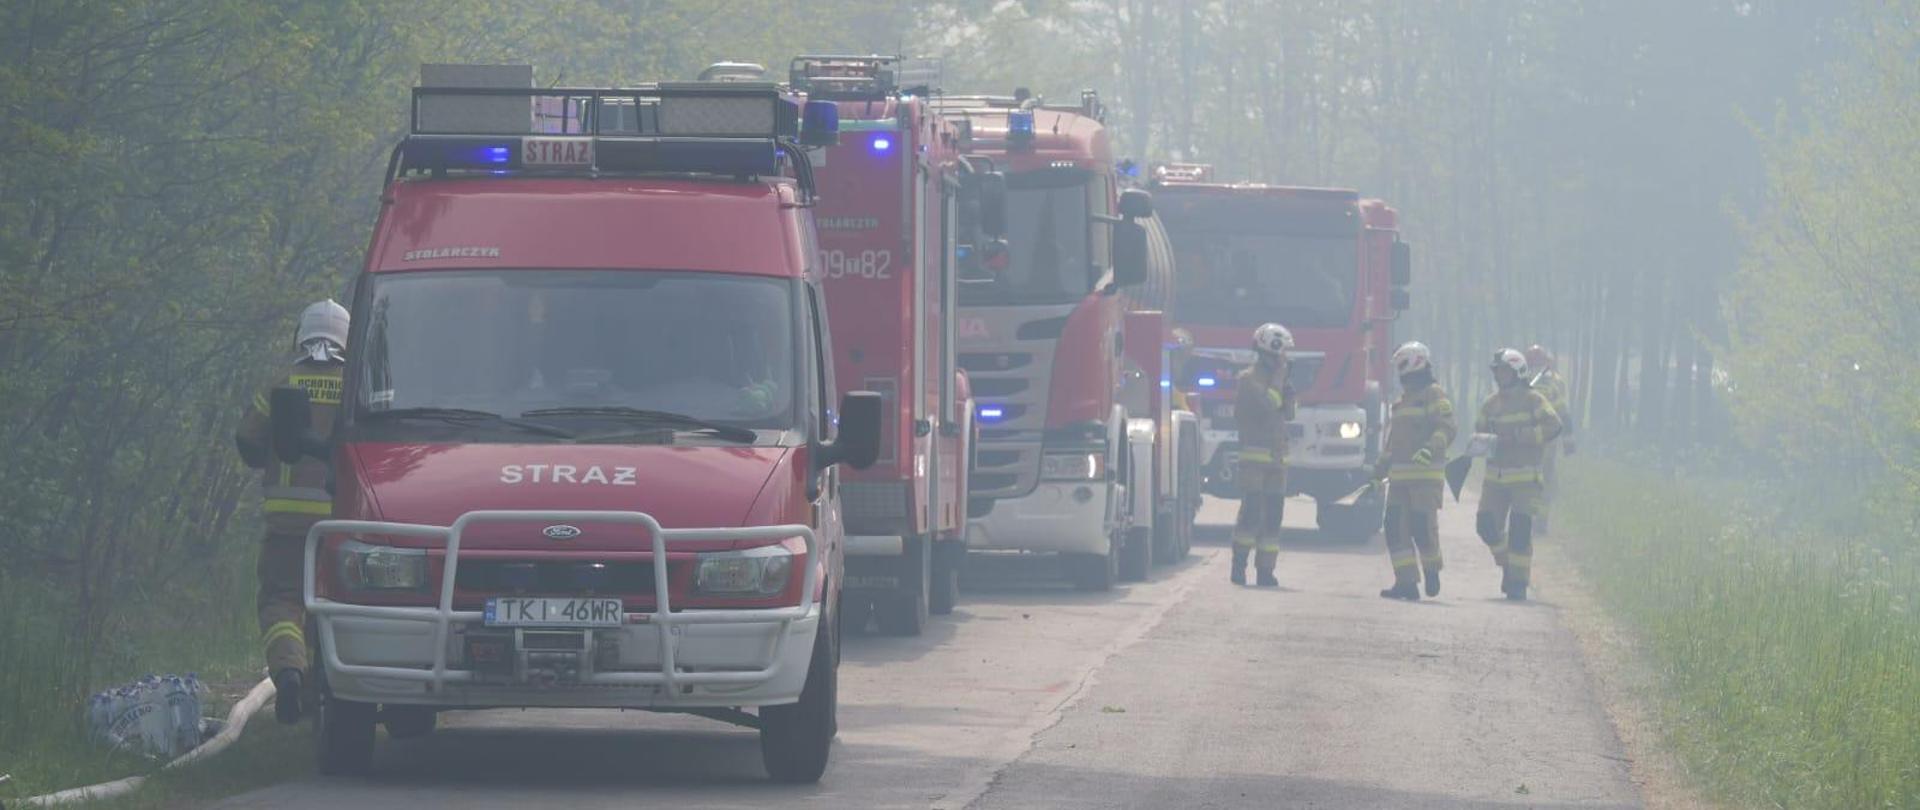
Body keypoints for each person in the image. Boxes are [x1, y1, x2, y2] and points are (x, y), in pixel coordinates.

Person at [234, 300, 348, 724]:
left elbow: (247, 439)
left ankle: (289, 673)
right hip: (342, 523)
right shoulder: (357, 384)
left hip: (285, 525)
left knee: (282, 600)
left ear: (300, 335)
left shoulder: (283, 383)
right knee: (335, 606)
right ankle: (328, 693)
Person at [1474, 348, 1563, 601]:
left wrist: (1520, 437)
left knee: (1520, 531)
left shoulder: (1534, 400)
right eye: (1497, 372)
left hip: (1526, 479)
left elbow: (1553, 426)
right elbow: (1479, 431)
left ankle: (1518, 584)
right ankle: (1508, 567)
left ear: (1517, 372)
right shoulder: (1491, 404)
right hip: (1495, 479)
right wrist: (1484, 441)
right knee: (1486, 525)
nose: (1499, 376)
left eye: (1503, 371)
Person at [1374, 342, 1456, 600]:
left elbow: (1446, 427)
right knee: (1394, 528)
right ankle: (1406, 582)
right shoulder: (1401, 402)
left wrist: (1431, 448)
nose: (1399, 373)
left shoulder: (1434, 395)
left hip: (1425, 477)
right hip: (1398, 480)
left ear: (1416, 363)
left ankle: (1432, 570)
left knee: (1422, 527)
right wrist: (1379, 469)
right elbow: (1392, 442)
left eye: (1402, 366)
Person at [1231, 322, 1296, 587]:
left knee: (1273, 517)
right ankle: (1239, 566)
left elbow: (1289, 413)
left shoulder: (1278, 382)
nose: (1285, 360)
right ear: (1270, 351)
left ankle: (1266, 571)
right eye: (1282, 354)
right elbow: (1267, 406)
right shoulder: (1248, 379)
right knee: (1252, 513)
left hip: (1277, 461)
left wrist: (1287, 390)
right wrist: (1279, 382)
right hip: (1254, 461)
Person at [1523, 344, 1574, 533]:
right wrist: (1568, 439)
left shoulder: (1522, 382)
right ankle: (1540, 522)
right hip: (1546, 440)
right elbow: (1563, 412)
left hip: (1527, 441)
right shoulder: (1554, 382)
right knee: (1545, 479)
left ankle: (1529, 518)